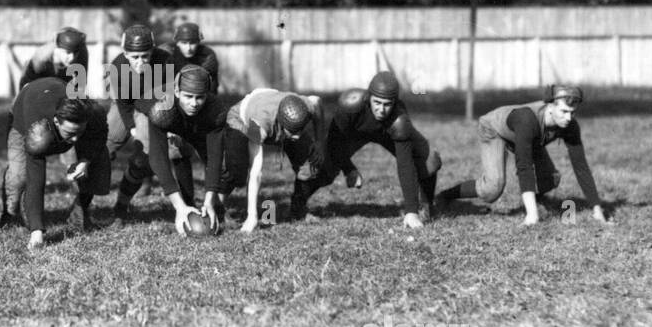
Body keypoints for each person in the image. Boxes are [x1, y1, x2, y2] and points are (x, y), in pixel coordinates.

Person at [435, 84, 610, 225]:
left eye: (572, 113)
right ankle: (444, 196)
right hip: (495, 129)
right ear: (550, 107)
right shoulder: (528, 120)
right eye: (564, 111)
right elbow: (524, 166)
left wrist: (597, 210)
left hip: (529, 138)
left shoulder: (570, 125)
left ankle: (531, 201)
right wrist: (532, 217)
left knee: (551, 179)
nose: (569, 118)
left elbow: (581, 167)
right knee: (492, 189)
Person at [291, 71, 442, 228]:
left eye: (387, 104)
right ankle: (297, 205)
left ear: (395, 103)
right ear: (368, 97)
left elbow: (405, 164)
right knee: (322, 162)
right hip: (356, 134)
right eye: (377, 102)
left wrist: (411, 211)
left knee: (430, 160)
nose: (381, 110)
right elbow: (335, 143)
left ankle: (425, 206)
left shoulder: (400, 119)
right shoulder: (350, 105)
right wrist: (348, 168)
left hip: (388, 135)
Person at [0, 78, 111, 249]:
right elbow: (36, 176)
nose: (76, 139)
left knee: (99, 157)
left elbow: (99, 136)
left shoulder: (91, 113)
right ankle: (8, 212)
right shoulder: (37, 129)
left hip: (55, 94)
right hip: (24, 113)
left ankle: (80, 211)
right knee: (19, 176)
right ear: (57, 121)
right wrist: (37, 232)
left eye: (80, 132)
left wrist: (85, 160)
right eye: (71, 133)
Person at [220, 88, 322, 234]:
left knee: (310, 162)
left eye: (301, 129)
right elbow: (256, 172)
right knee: (236, 168)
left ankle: (298, 210)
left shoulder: (305, 105)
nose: (298, 136)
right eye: (293, 131)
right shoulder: (258, 125)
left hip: (271, 108)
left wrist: (319, 141)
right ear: (281, 123)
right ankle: (217, 208)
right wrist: (252, 217)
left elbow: (318, 103)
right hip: (242, 118)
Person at [106, 24, 177, 218]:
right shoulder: (117, 67)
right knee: (104, 147)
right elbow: (123, 104)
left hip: (152, 107)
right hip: (127, 105)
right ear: (125, 53)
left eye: (145, 56)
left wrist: (168, 127)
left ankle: (120, 207)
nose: (140, 62)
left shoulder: (166, 62)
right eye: (134, 57)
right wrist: (131, 129)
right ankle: (83, 207)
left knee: (141, 157)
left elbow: (169, 100)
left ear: (152, 51)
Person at [147, 65, 227, 235]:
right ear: (177, 92)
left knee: (228, 166)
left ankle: (216, 206)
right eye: (188, 96)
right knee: (149, 157)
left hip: (196, 127)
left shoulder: (215, 109)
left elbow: (215, 157)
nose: (193, 103)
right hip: (157, 115)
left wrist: (209, 202)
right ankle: (185, 202)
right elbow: (158, 159)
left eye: (200, 97)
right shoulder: (161, 109)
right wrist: (179, 206)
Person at [18, 26, 89, 96]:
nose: (71, 57)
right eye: (67, 53)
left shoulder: (81, 53)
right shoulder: (41, 58)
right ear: (56, 48)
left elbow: (79, 90)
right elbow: (25, 90)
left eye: (75, 53)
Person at [171, 22, 220, 94]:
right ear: (177, 43)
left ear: (198, 42)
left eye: (192, 43)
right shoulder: (169, 54)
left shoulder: (206, 55)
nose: (188, 48)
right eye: (184, 43)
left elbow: (211, 89)